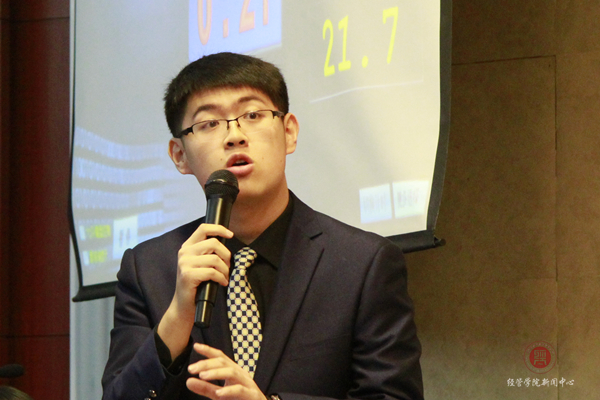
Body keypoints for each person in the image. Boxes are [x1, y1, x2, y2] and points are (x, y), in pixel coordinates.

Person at [101, 52, 423, 400]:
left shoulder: (363, 263)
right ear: (180, 156)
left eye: (252, 115)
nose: (234, 136)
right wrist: (177, 318)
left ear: (289, 132)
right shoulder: (148, 270)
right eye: (209, 123)